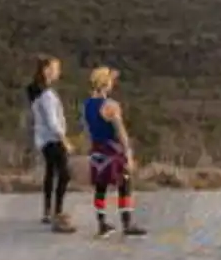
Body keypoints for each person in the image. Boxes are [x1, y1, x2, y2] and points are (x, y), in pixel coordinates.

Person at [81, 65, 145, 237]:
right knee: (125, 183)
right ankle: (127, 222)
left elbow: (88, 129)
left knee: (100, 187)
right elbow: (121, 131)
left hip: (97, 149)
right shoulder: (110, 105)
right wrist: (128, 153)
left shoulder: (87, 105)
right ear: (105, 83)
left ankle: (101, 223)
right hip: (112, 149)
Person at [26, 56, 75, 232]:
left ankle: (48, 210)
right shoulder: (46, 95)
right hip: (52, 139)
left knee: (51, 171)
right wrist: (65, 140)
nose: (58, 72)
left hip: (43, 139)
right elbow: (52, 122)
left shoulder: (37, 91)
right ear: (46, 70)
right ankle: (58, 211)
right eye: (55, 68)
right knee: (64, 174)